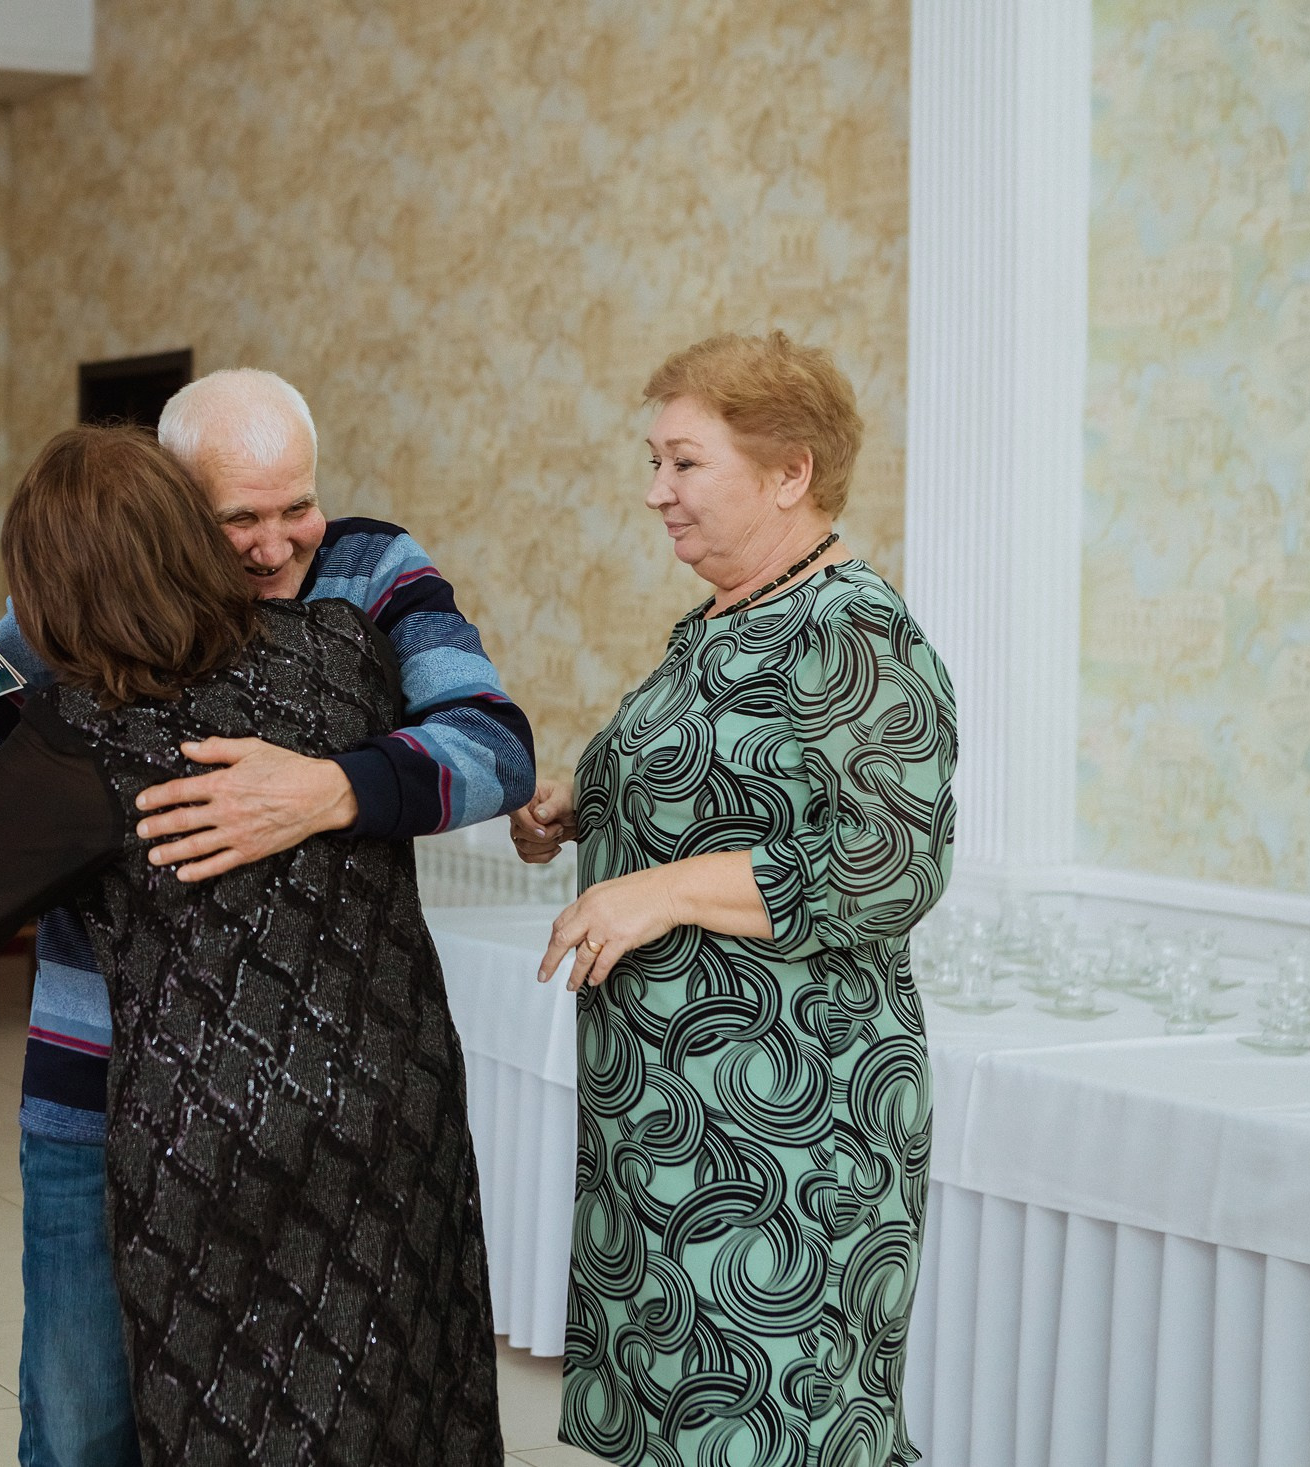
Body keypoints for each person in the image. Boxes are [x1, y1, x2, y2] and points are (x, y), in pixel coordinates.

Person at [0, 369, 536, 1467]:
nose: (277, 547)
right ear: (167, 505)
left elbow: (494, 748)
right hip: (100, 1074)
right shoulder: (65, 609)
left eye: (295, 508)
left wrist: (327, 788)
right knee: (83, 1419)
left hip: (328, 1079)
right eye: (239, 520)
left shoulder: (374, 570)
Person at [509, 332, 955, 1467]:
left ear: (789, 472)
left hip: (788, 1124)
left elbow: (888, 865)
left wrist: (659, 889)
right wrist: (578, 803)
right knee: (691, 1416)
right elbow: (713, 787)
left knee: (782, 1417)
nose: (655, 493)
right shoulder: (716, 623)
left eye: (684, 463)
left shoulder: (851, 627)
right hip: (673, 1122)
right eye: (653, 463)